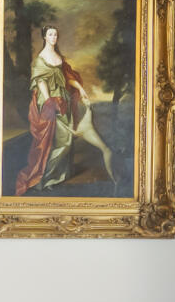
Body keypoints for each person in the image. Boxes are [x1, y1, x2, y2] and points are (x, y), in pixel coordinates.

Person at [17, 23, 116, 194]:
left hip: (64, 100)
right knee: (63, 142)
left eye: (55, 35)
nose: (54, 37)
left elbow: (67, 78)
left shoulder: (58, 57)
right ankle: (44, 179)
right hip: (50, 103)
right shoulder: (40, 59)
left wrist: (81, 88)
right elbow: (40, 82)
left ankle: (58, 177)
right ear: (44, 37)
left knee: (66, 142)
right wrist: (49, 102)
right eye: (50, 35)